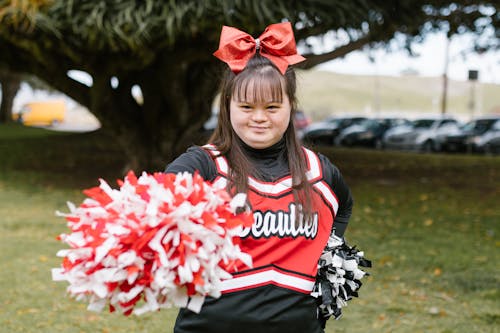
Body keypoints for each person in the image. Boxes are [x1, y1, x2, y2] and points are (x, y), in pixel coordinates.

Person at [166, 22, 353, 333]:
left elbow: (343, 206)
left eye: (272, 106)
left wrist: (327, 252)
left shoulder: (319, 172)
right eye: (246, 106)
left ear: (291, 106)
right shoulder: (204, 165)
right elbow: (153, 203)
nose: (259, 117)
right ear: (227, 107)